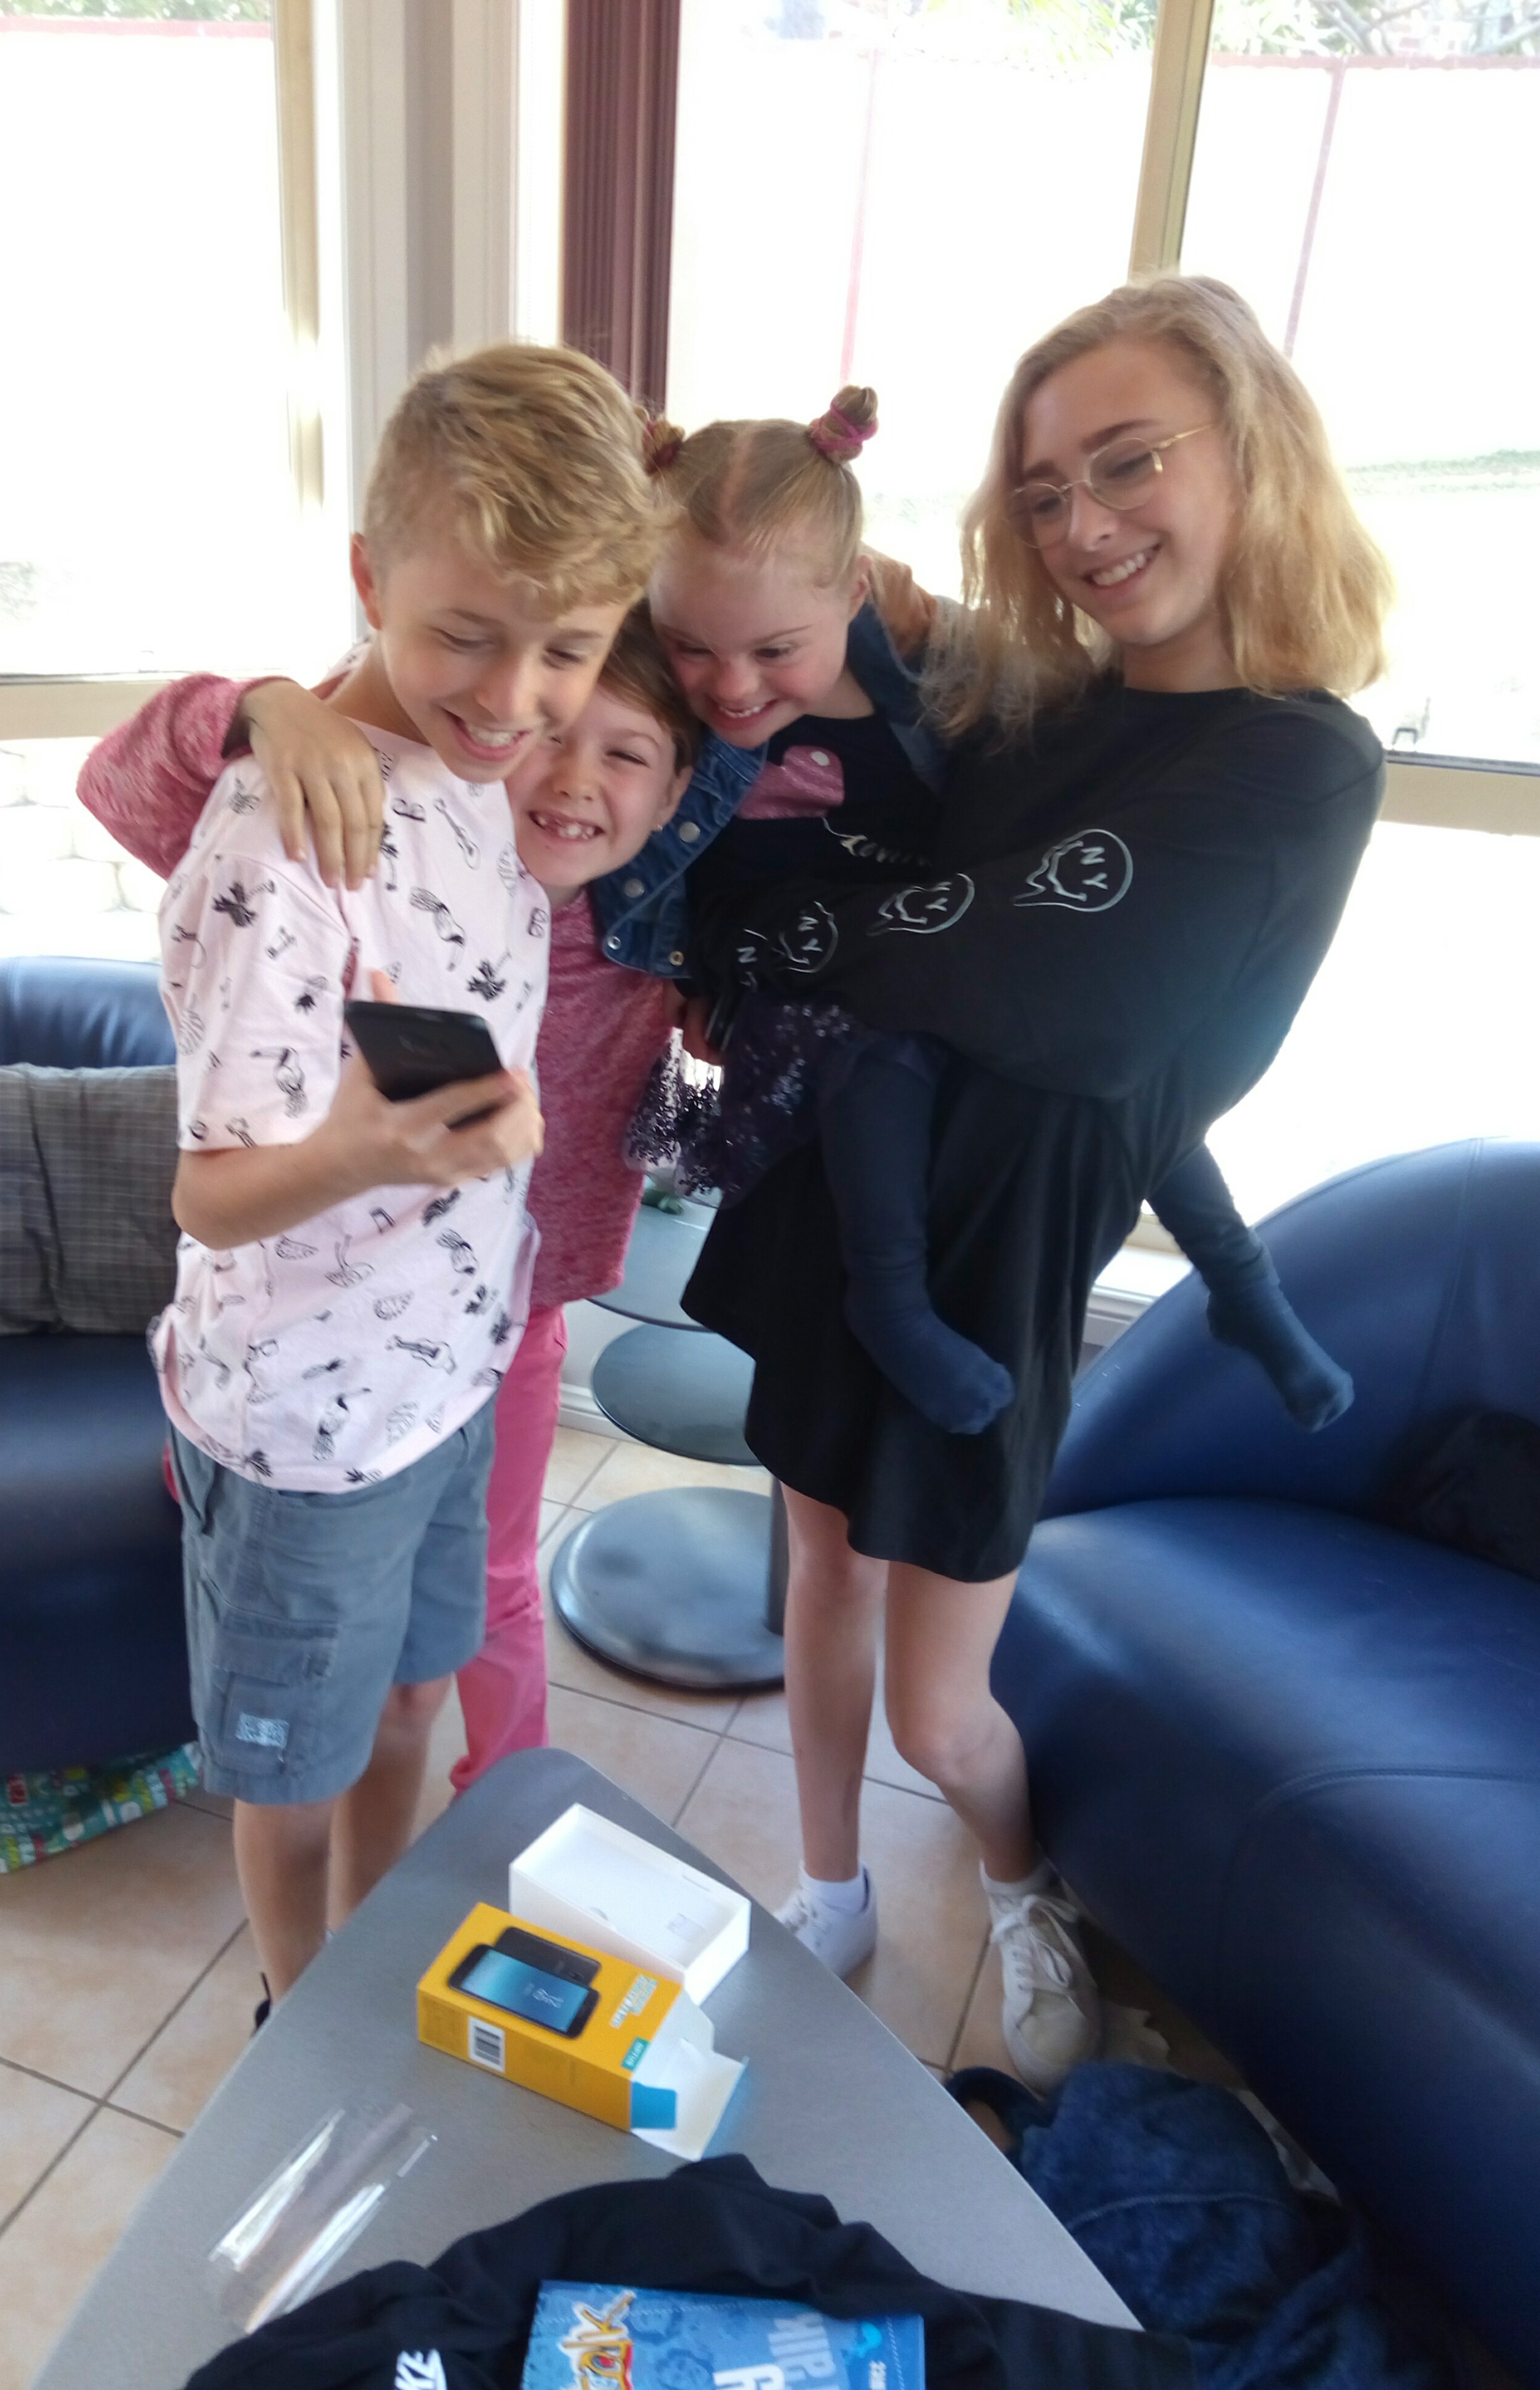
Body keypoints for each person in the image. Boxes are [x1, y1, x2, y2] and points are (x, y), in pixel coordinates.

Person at [680, 277, 1392, 2090]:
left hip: (996, 1267)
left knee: (944, 1705)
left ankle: (1016, 1881)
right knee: (816, 1573)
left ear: (1253, 452)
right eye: (1047, 488)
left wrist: (777, 950)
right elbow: (772, 688)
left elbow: (1053, 989)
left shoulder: (1298, 758)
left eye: (1129, 463)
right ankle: (831, 1885)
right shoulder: (1028, 702)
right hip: (841, 1199)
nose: (1086, 524)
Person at [150, 342, 667, 2014]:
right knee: (296, 1767)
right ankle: (299, 2004)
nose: (515, 698)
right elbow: (208, 1198)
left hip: (445, 1383)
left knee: (410, 1702)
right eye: (466, 635)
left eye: (566, 650)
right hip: (305, 1427)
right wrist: (364, 1152)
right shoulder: (282, 837)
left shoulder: (484, 785)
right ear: (369, 579)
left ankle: (374, 1956)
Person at [638, 389, 1355, 1438]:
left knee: (1125, 1086)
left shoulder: (921, 667)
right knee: (878, 1048)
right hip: (793, 968)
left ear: (853, 592)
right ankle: (891, 1299)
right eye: (691, 647)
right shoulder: (647, 685)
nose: (732, 686)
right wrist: (686, 975)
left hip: (922, 931)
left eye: (776, 649)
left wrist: (934, 620)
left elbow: (1031, 703)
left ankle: (1245, 1286)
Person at [83, 609, 696, 1801]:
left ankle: (503, 1801)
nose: (573, 779)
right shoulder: (387, 841)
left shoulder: (652, 920)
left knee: (483, 1597)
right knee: (299, 1570)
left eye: (621, 755)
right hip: (309, 1340)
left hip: (509, 1310)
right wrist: (265, 706)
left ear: (673, 798)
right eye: (551, 735)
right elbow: (129, 781)